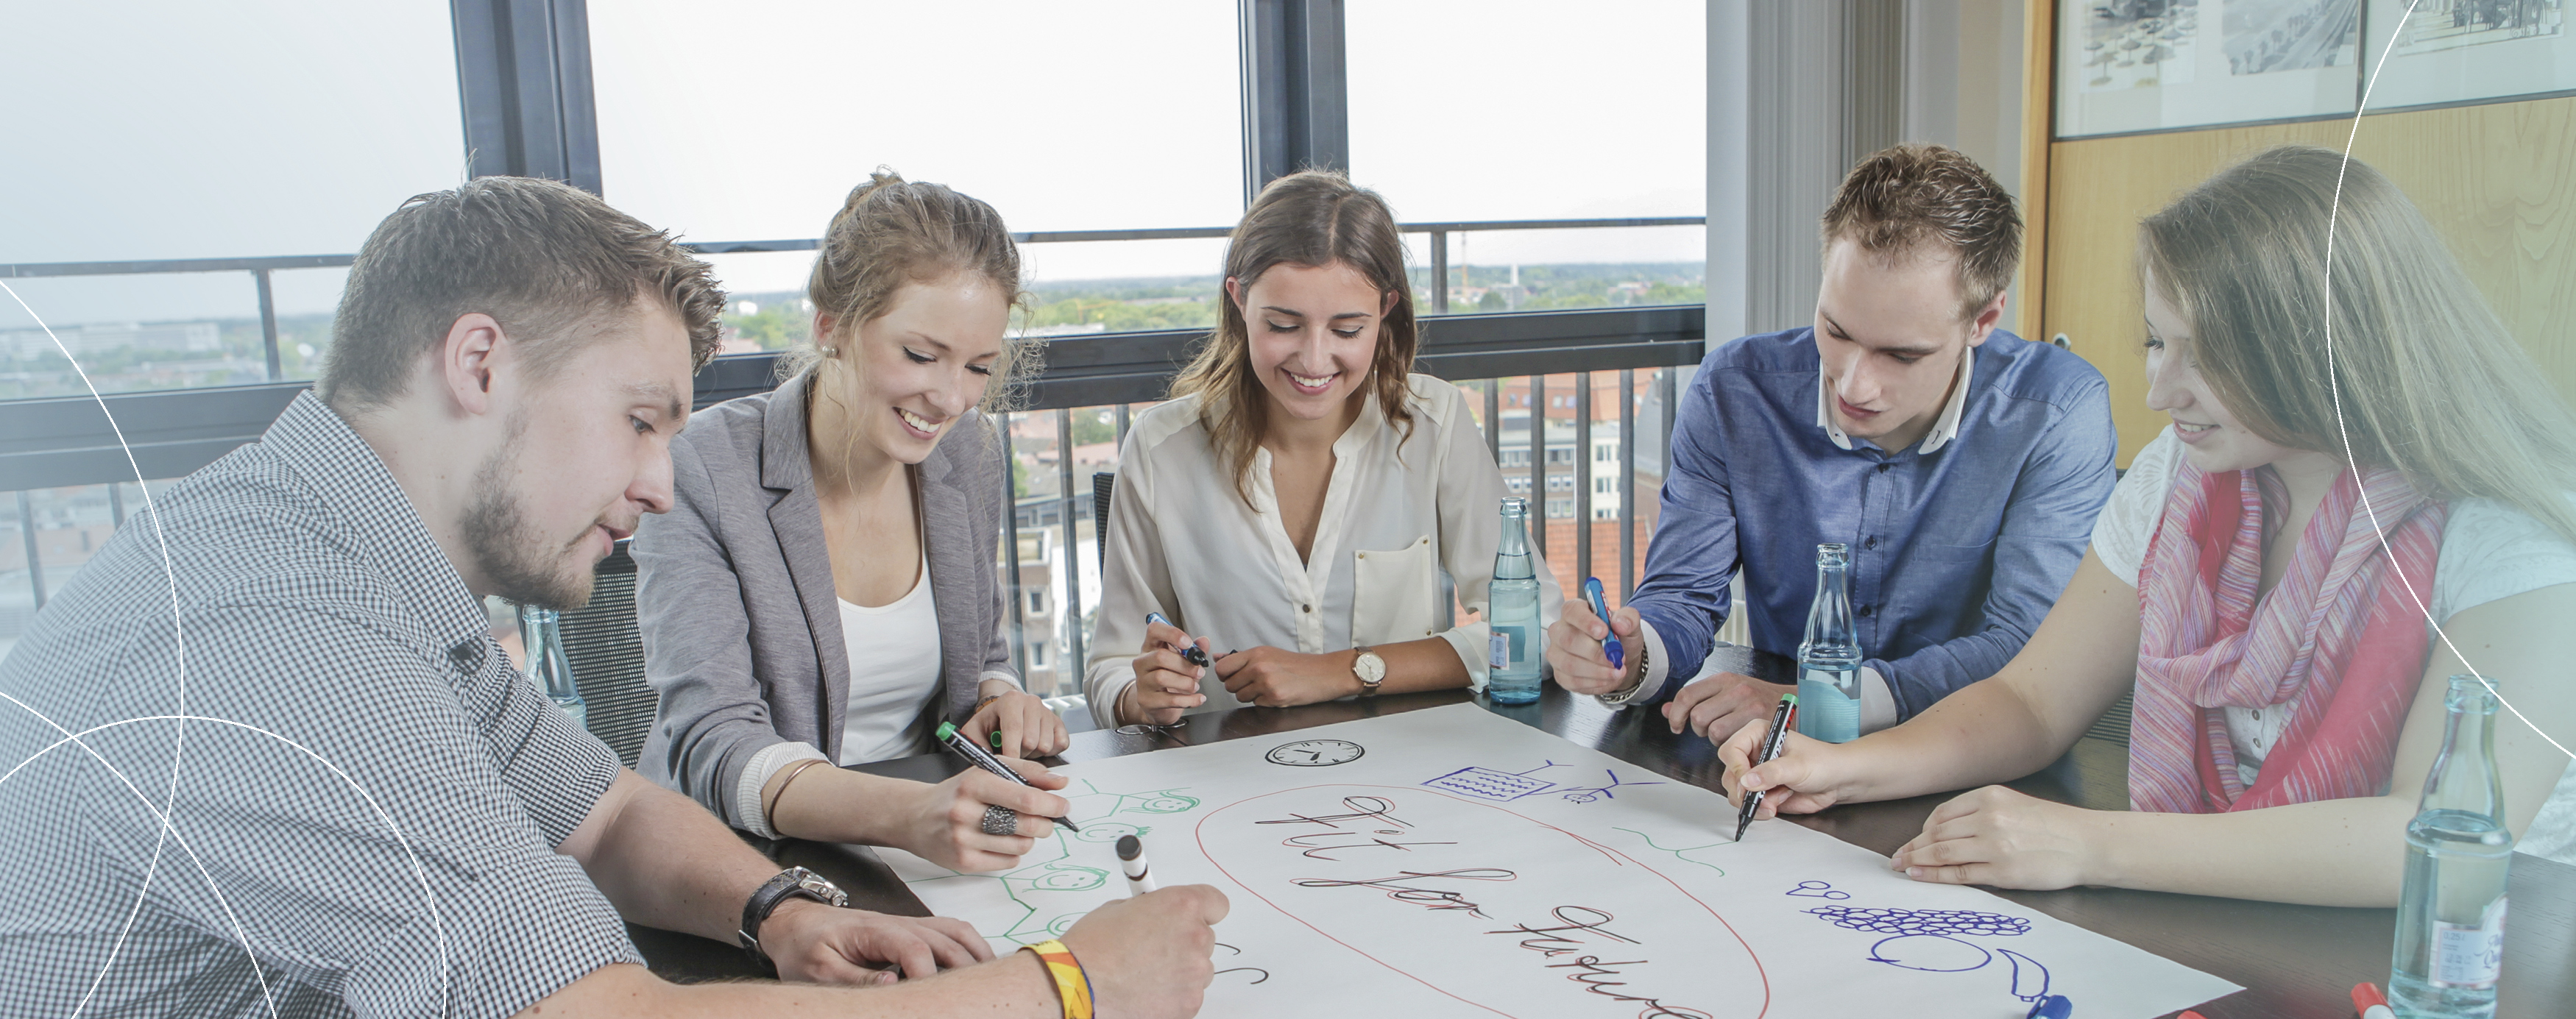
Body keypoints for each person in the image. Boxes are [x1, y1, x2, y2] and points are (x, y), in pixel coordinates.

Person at [0, 176, 1226, 1018]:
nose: (655, 484)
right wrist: (1069, 989)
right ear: (478, 364)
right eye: (639, 421)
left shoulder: (358, 561)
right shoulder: (280, 629)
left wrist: (782, 911)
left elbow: (604, 812)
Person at [1722, 146, 2576, 903]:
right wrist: (1838, 767)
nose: (2160, 393)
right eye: (2155, 343)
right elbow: (2032, 698)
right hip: (2235, 921)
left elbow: (2432, 840)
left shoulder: (2510, 538)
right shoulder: (2184, 470)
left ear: (2319, 350)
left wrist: (2088, 842)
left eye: (2204, 356)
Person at [1549, 143, 2118, 744]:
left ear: (1982, 320)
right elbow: (1682, 596)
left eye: (1902, 354)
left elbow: (2029, 648)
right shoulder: (1733, 392)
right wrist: (1635, 657)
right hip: (1775, 763)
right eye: (1837, 331)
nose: (1853, 383)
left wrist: (1820, 701)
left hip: (1982, 764)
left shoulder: (2057, 412)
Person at [634, 171, 1072, 870]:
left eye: (979, 368)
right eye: (921, 356)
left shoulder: (967, 455)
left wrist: (1000, 696)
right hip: (746, 862)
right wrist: (905, 816)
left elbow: (982, 656)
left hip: (926, 849)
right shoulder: (703, 469)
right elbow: (711, 739)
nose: (952, 397)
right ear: (831, 326)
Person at [1085, 169, 1565, 728]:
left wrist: (1344, 670)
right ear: (1239, 301)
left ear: (1384, 311)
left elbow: (1536, 630)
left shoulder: (1435, 423)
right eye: (1284, 325)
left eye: (1346, 330)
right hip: (1227, 787)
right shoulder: (1160, 449)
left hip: (1409, 778)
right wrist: (1139, 694)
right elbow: (1111, 667)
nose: (1314, 360)